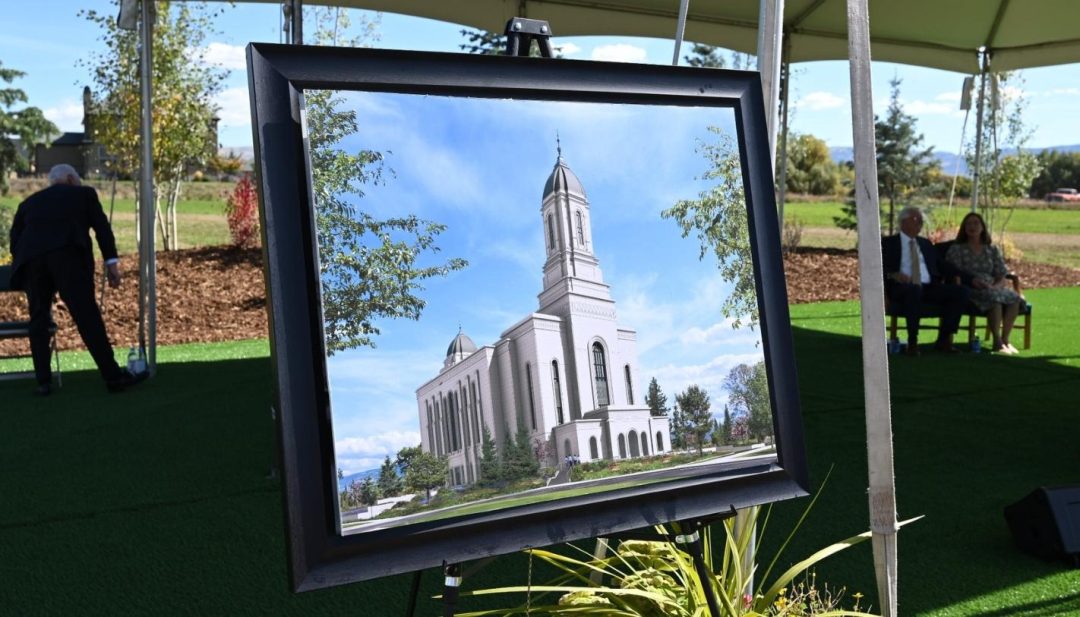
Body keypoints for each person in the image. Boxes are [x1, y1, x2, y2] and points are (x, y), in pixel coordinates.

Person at [8, 164, 147, 395]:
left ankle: (43, 381)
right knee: (86, 315)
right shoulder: (84, 194)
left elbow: (15, 240)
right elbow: (102, 229)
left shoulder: (29, 203)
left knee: (39, 318)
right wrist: (111, 262)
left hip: (32, 261)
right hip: (68, 257)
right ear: (72, 178)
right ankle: (112, 377)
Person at [881, 206, 970, 356]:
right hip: (902, 287)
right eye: (916, 219)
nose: (920, 222)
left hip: (929, 287)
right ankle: (913, 343)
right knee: (914, 290)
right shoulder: (889, 243)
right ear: (903, 222)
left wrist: (973, 279)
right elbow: (878, 268)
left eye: (921, 220)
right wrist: (894, 275)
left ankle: (943, 340)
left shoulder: (925, 244)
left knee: (961, 292)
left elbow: (944, 266)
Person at [946, 212, 1023, 354]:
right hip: (970, 288)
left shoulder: (991, 249)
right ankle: (997, 342)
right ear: (964, 228)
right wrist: (973, 283)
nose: (972, 227)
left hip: (992, 286)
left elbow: (1001, 274)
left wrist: (995, 286)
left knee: (1014, 298)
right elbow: (953, 272)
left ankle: (1005, 340)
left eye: (976, 223)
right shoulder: (957, 249)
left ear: (982, 227)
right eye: (968, 224)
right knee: (995, 300)